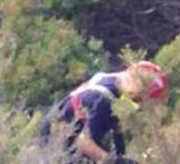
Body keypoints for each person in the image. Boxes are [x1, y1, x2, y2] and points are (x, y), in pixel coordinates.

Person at [40, 61, 169, 163]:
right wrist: (115, 161)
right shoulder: (103, 101)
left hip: (65, 123)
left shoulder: (113, 82)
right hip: (58, 137)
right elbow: (84, 143)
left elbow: (115, 130)